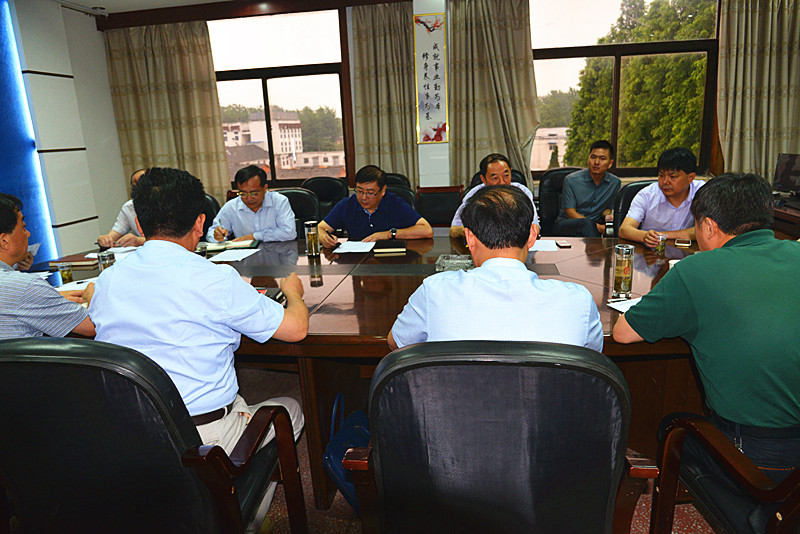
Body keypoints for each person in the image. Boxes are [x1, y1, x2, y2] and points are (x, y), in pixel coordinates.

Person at [89, 168, 308, 523]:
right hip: (203, 438)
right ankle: (243, 518)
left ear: (140, 224)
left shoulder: (108, 279)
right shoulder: (216, 278)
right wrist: (294, 294)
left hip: (128, 434)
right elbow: (296, 329)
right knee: (291, 409)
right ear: (200, 222)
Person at [613, 173, 800, 532]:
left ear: (710, 227)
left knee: (672, 427)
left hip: (764, 459)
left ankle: (752, 515)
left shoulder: (697, 270)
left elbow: (622, 333)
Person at [389, 185, 602, 350]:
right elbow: (592, 356)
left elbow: (397, 343)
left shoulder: (434, 292)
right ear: (532, 235)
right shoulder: (578, 301)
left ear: (469, 238)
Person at [0, 193, 95, 338]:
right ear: (4, 241)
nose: (28, 234)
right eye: (23, 227)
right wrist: (94, 293)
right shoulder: (27, 288)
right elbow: (93, 327)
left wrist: (49, 298)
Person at [318, 165, 433, 247]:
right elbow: (319, 229)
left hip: (391, 261)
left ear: (383, 190)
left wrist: (388, 234)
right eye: (360, 191)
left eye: (370, 192)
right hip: (357, 263)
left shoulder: (396, 203)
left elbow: (427, 230)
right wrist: (324, 237)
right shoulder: (346, 205)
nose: (364, 197)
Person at [619, 148, 704, 247]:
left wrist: (662, 235)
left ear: (690, 178)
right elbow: (624, 229)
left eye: (672, 177)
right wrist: (645, 236)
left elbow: (707, 230)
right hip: (650, 252)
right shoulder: (647, 195)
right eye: (661, 175)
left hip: (689, 253)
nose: (665, 182)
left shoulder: (703, 192)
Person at [449, 153, 540, 238]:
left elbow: (535, 228)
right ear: (483, 179)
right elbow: (454, 230)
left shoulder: (522, 192)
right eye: (495, 178)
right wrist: (471, 231)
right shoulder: (474, 195)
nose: (502, 182)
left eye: (506, 175)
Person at [208, 165, 296, 243]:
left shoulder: (279, 202)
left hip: (278, 254)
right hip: (244, 255)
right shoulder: (231, 207)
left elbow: (289, 233)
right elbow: (212, 233)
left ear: (265, 188)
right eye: (243, 193)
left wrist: (254, 236)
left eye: (254, 193)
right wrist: (217, 236)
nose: (249, 198)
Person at [552, 140, 620, 237]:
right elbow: (570, 213)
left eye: (602, 158)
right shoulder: (571, 180)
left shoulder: (614, 183)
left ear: (610, 163)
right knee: (587, 224)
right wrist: (598, 227)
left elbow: (607, 209)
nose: (596, 162)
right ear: (588, 159)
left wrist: (608, 215)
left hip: (591, 230)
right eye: (593, 157)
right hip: (566, 225)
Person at [98, 168, 147, 248]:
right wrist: (104, 239)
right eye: (134, 186)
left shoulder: (166, 203)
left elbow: (168, 240)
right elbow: (113, 236)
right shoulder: (129, 207)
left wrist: (140, 241)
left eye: (142, 182)